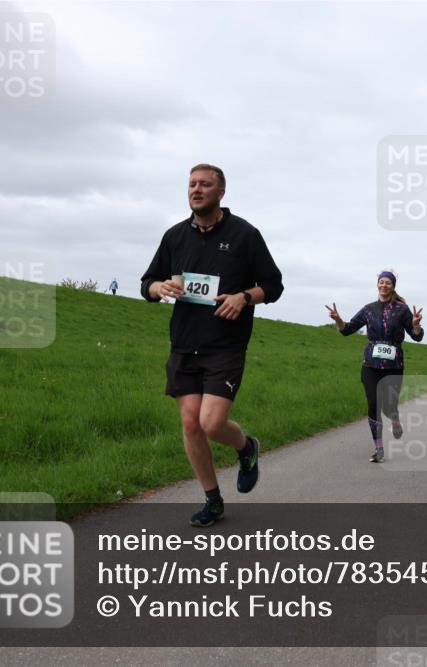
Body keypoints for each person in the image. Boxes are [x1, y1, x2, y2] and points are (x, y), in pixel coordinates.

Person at [140, 163, 284, 527]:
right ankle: (212, 500)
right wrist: (160, 288)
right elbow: (148, 283)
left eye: (205, 184)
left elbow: (274, 284)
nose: (196, 189)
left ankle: (246, 447)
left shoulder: (244, 235)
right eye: (192, 184)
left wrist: (244, 298)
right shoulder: (175, 237)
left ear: (221, 192)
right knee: (190, 425)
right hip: (185, 344)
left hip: (225, 345)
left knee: (210, 422)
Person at [325, 271, 423, 462]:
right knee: (373, 403)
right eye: (381, 282)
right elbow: (348, 329)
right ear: (377, 285)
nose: (384, 285)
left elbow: (416, 336)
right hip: (370, 364)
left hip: (394, 366)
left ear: (393, 286)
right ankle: (378, 448)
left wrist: (416, 325)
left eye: (388, 283)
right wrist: (337, 319)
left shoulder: (402, 310)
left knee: (388, 405)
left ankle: (394, 419)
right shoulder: (368, 309)